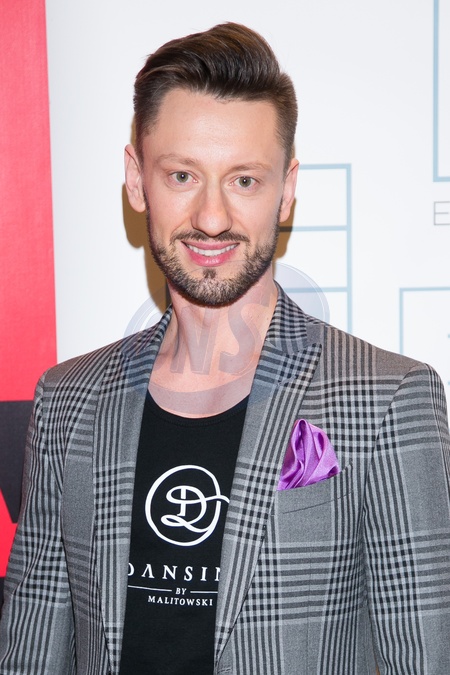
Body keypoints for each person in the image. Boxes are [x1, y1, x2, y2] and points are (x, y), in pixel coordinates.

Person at [1, 22, 449, 675]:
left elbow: (426, 660)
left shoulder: (387, 398)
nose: (212, 218)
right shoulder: (67, 402)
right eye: (183, 175)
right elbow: (29, 653)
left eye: (244, 180)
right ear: (137, 180)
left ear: (286, 190)